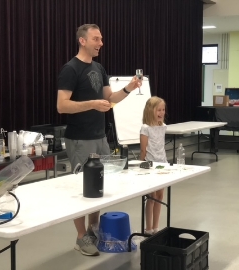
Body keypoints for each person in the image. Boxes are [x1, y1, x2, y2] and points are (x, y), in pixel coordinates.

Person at [57, 24, 141, 256]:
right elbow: (62, 105)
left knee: (97, 186)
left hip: (99, 137)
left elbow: (109, 99)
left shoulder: (99, 68)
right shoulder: (70, 69)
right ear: (82, 41)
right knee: (80, 187)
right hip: (79, 139)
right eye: (96, 39)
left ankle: (93, 231)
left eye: (101, 39)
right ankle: (81, 237)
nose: (101, 43)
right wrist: (92, 105)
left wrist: (129, 88)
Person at [140, 96, 167, 235]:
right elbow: (143, 150)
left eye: (163, 110)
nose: (161, 113)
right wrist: (141, 165)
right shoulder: (145, 128)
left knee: (160, 196)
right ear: (151, 111)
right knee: (151, 197)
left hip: (162, 164)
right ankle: (148, 228)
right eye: (158, 110)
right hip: (151, 165)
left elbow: (161, 146)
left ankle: (156, 227)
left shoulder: (163, 126)